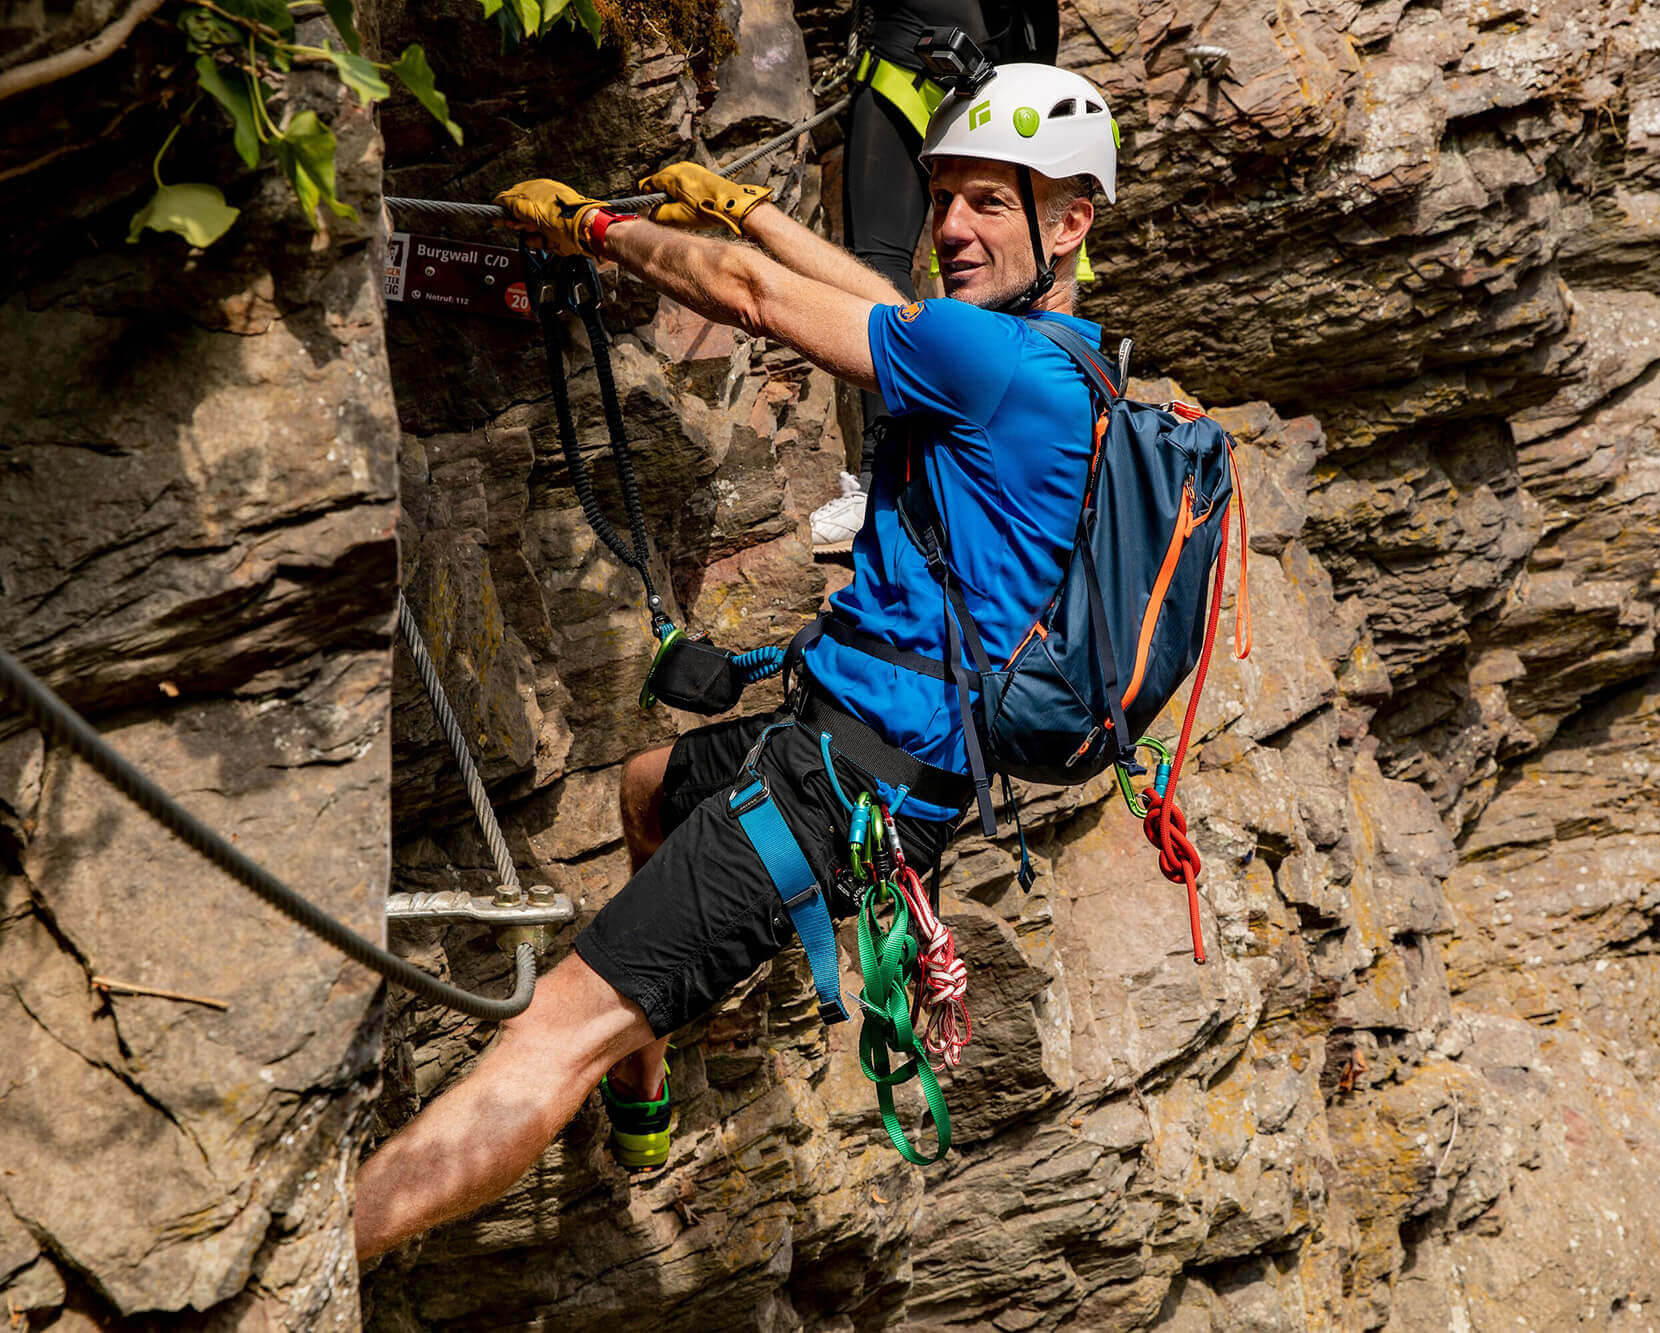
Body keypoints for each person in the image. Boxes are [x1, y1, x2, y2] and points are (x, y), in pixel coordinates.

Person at [350, 60, 1118, 1260]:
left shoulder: (996, 364)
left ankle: (305, 1263)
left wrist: (609, 232)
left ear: (1070, 221)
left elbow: (755, 301)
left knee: (552, 1027)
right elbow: (880, 307)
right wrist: (747, 205)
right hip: (865, 762)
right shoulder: (1059, 361)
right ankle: (647, 1086)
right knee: (647, 786)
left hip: (836, 793)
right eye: (945, 197)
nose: (952, 227)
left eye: (992, 203)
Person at [809, 1, 1065, 555]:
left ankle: (910, 472)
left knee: (996, 270)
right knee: (1013, 270)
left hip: (936, 64)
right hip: (963, 67)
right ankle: (905, 474)